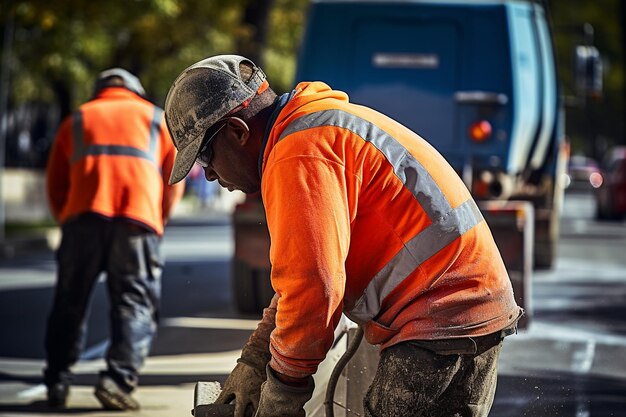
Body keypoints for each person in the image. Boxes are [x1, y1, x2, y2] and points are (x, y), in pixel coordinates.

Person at [164, 55, 523, 417]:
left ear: (238, 131)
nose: (208, 175)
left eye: (205, 155)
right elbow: (302, 280)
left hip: (443, 315)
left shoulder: (299, 154)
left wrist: (281, 395)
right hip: (457, 308)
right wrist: (256, 361)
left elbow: (314, 288)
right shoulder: (309, 133)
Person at [44, 68, 184, 410]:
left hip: (82, 219)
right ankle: (117, 381)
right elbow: (175, 177)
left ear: (99, 90)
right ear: (135, 90)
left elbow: (55, 182)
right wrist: (158, 218)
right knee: (135, 303)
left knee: (69, 301)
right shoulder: (156, 119)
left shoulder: (77, 119)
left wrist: (68, 217)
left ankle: (58, 380)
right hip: (137, 222)